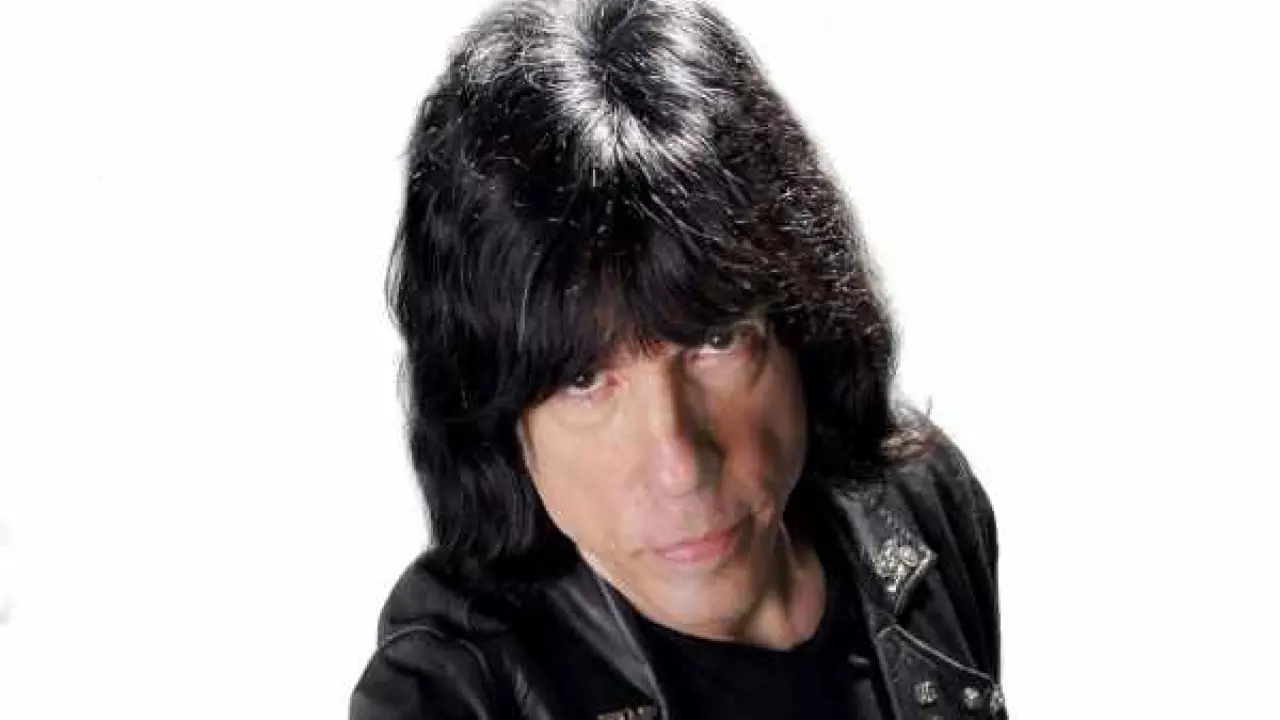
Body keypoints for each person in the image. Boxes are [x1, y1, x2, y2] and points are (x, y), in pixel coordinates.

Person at [350, 0, 1006, 717]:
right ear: (496, 417)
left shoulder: (920, 506)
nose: (680, 465)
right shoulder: (452, 689)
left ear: (802, 323)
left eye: (715, 341)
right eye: (584, 380)